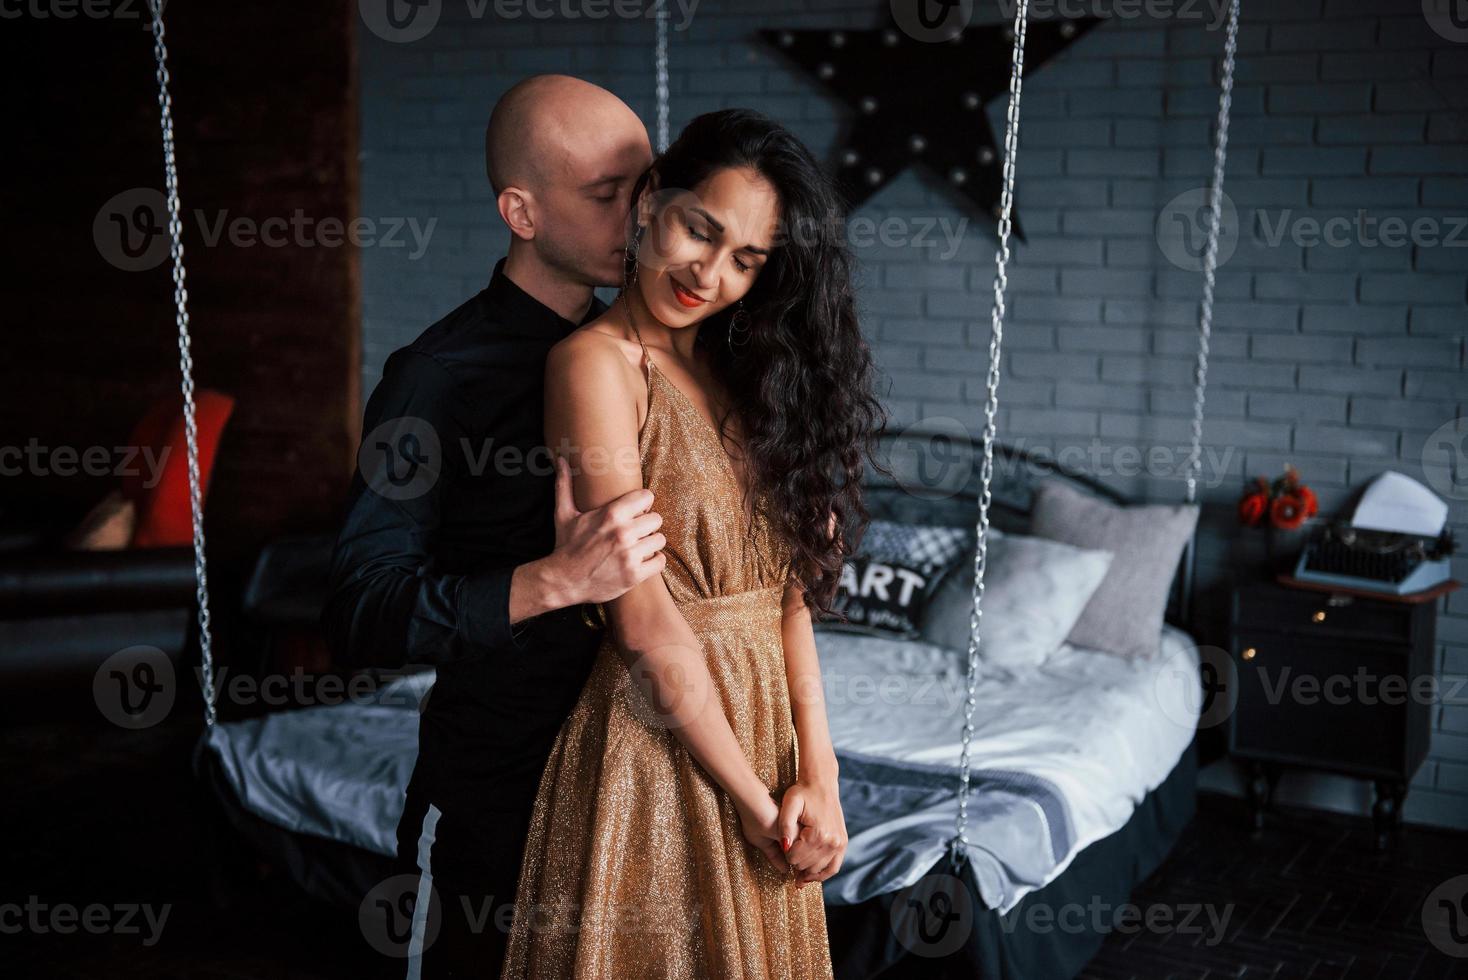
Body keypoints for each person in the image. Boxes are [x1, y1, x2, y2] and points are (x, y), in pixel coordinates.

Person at [500, 108, 887, 979]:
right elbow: (641, 620)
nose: (709, 274)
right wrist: (753, 801)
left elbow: (786, 604)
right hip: (663, 742)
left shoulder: (747, 373)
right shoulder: (595, 365)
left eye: (747, 259)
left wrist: (819, 777)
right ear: (649, 209)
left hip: (770, 744)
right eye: (697, 231)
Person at [321, 75, 663, 978]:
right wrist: (553, 581)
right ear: (521, 209)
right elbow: (361, 609)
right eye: (606, 196)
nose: (640, 220)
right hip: (493, 793)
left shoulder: (643, 352)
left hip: (629, 780)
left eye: (646, 189)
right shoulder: (431, 379)